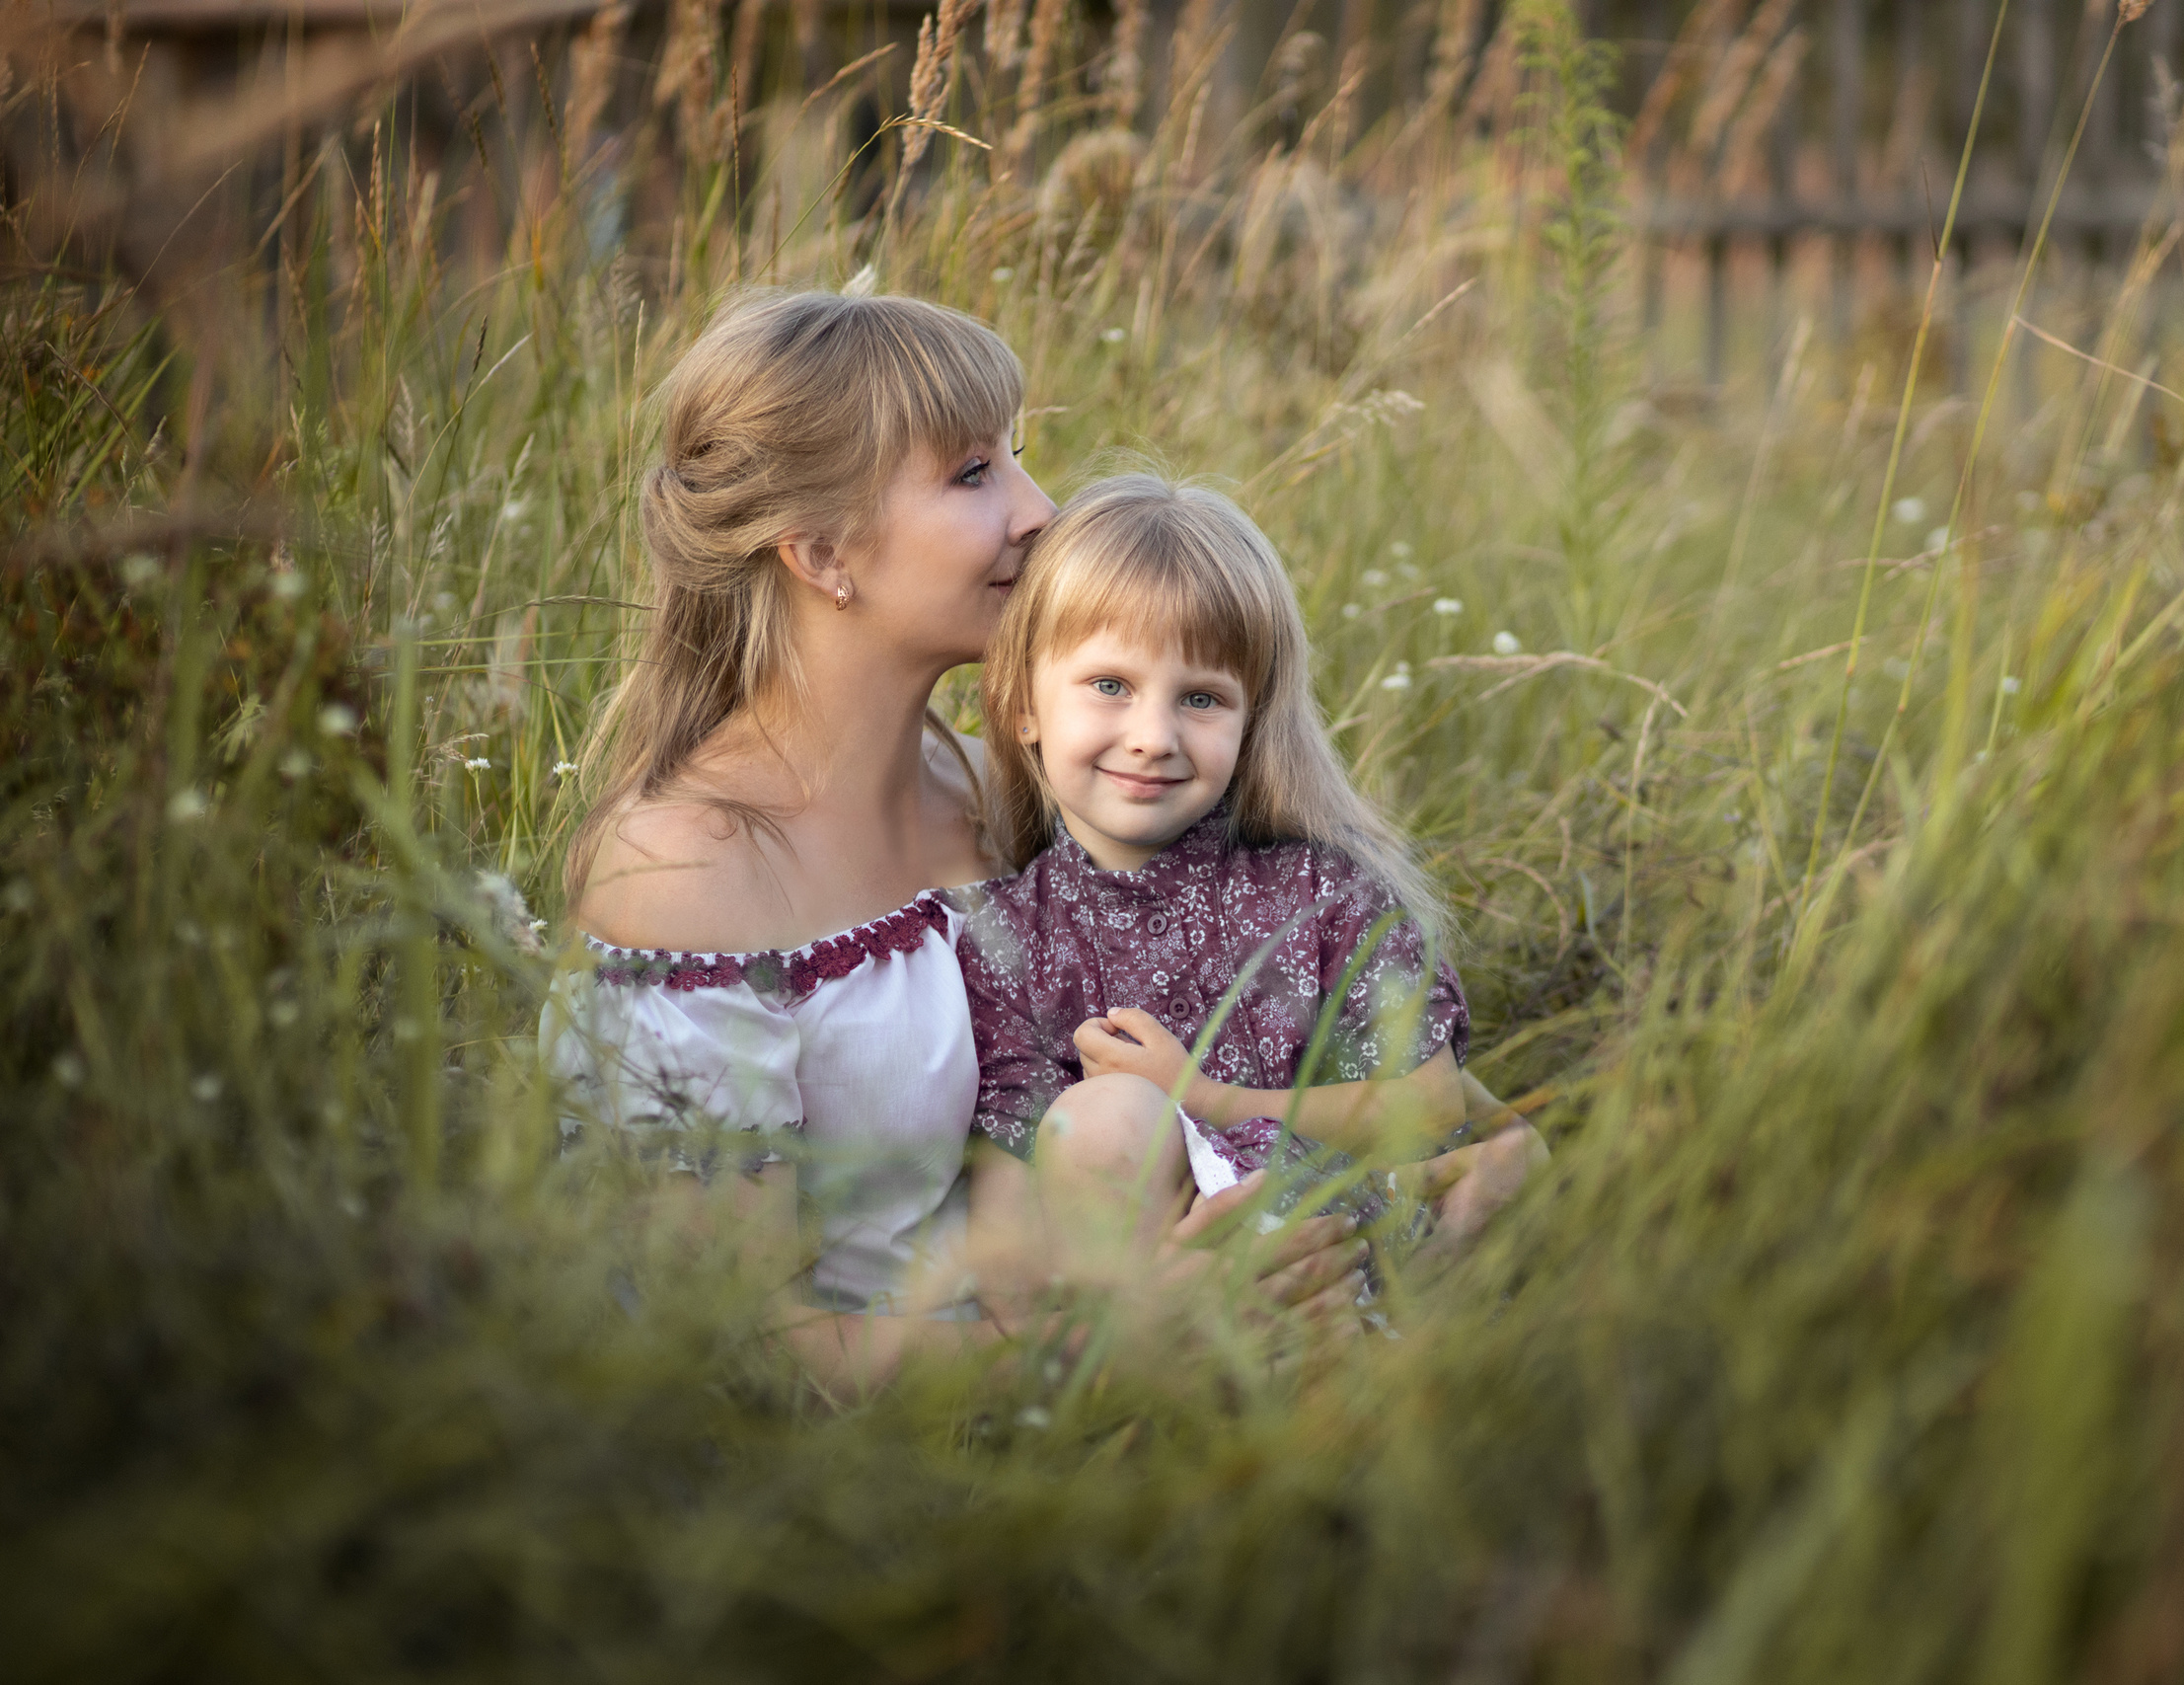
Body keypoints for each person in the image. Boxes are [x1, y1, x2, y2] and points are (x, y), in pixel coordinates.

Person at [538, 290, 1537, 1393]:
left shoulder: (984, 783)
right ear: (823, 552)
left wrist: (1495, 1146)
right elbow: (725, 1342)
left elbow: (1261, 997)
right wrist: (1106, 1349)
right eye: (974, 475)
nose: (1039, 509)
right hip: (886, 1439)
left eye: (1018, 458)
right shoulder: (688, 870)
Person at [953, 473, 1520, 1286]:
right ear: (1023, 705)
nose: (1153, 736)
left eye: (1202, 698)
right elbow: (1008, 1194)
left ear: (1252, 720)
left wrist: (1206, 1095)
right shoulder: (1007, 940)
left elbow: (1430, 1103)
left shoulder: (1323, 890)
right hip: (1159, 1299)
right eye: (1110, 685)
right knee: (1101, 1116)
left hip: (1354, 1266)